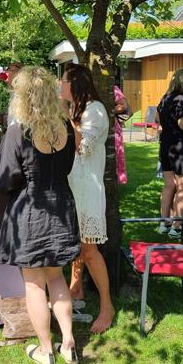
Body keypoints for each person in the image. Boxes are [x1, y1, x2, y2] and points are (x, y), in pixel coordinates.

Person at [0, 66, 79, 364]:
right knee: (56, 276)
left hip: (31, 212)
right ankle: (68, 343)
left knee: (34, 284)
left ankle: (45, 349)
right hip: (61, 207)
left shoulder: (20, 131)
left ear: (22, 96)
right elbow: (67, 167)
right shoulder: (66, 128)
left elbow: (4, 180)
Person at [61, 64, 115, 334]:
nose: (60, 86)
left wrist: (65, 117)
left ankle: (107, 306)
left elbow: (83, 148)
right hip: (75, 186)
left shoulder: (95, 110)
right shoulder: (77, 109)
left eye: (63, 81)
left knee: (90, 251)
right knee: (79, 245)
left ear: (75, 84)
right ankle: (76, 288)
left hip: (88, 188)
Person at [156, 69, 183, 238]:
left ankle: (164, 223)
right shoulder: (181, 99)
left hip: (165, 145)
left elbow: (158, 119)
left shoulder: (165, 98)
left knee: (169, 185)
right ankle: (177, 227)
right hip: (179, 147)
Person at [113, 85, 130, 185]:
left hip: (113, 128)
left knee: (115, 157)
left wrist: (108, 110)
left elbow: (123, 105)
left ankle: (116, 182)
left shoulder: (114, 88)